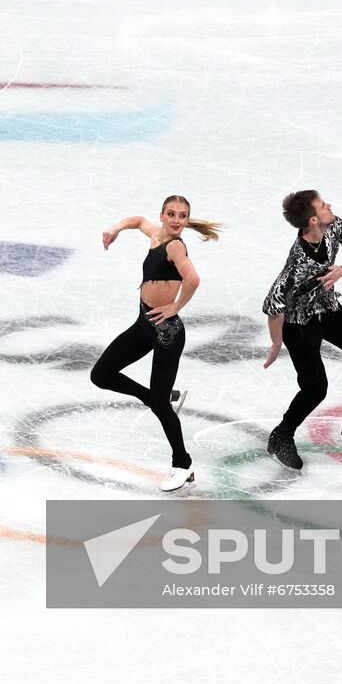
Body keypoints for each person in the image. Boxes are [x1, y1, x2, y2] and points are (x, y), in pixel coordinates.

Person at [93, 195, 221, 491]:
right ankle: (157, 396)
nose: (177, 220)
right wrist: (115, 229)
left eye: (183, 216)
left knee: (161, 406)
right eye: (172, 214)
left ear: (187, 221)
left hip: (167, 334)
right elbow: (137, 221)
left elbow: (193, 279)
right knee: (101, 375)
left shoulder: (175, 246)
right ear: (162, 216)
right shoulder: (156, 235)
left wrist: (175, 307)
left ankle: (183, 464)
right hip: (144, 324)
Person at [261, 190, 342, 470]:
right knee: (315, 388)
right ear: (314, 219)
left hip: (326, 309)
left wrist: (341, 270)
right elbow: (273, 305)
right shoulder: (297, 264)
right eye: (323, 204)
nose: (330, 205)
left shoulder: (333, 226)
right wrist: (276, 344)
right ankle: (281, 435)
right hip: (298, 324)